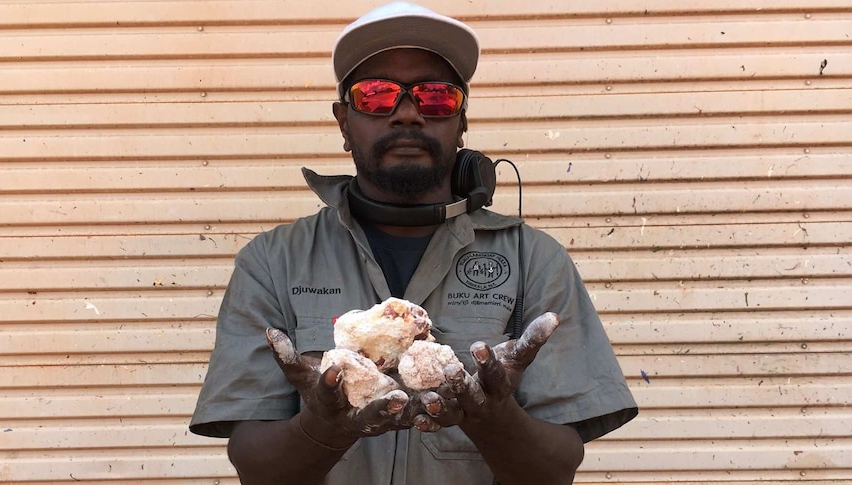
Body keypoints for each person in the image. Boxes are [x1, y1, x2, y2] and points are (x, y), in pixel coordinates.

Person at [189, 2, 638, 484]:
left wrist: (492, 418)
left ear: (461, 120)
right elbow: (256, 467)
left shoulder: (533, 260)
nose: (407, 114)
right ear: (343, 122)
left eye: (436, 96)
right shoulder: (274, 262)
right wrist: (323, 428)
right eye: (377, 96)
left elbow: (555, 470)